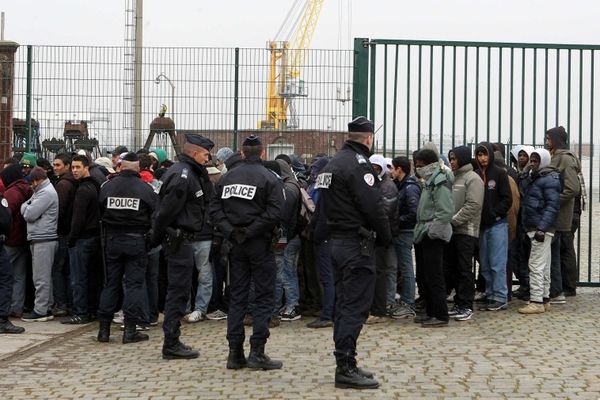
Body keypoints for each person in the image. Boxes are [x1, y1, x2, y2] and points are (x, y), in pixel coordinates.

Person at [318, 116, 391, 389]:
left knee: (343, 305)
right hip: (355, 245)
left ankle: (347, 361)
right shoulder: (359, 166)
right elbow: (374, 207)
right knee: (354, 306)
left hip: (336, 243)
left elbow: (322, 208)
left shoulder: (332, 163)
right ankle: (345, 367)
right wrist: (385, 237)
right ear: (369, 138)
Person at [209, 135, 284, 371]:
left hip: (235, 245)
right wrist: (251, 231)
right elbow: (275, 213)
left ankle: (234, 353)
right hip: (259, 244)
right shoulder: (270, 178)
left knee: (237, 297)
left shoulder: (227, 178)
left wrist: (232, 231)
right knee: (263, 297)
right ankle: (257, 352)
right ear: (262, 154)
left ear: (242, 154)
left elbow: (214, 209)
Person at [149, 133, 214, 360]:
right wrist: (157, 238)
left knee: (180, 290)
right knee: (178, 292)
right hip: (178, 241)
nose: (209, 158)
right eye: (206, 154)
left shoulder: (189, 173)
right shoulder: (183, 176)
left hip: (183, 239)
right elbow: (165, 212)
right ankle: (171, 342)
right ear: (195, 153)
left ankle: (173, 339)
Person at [96, 152, 158, 343]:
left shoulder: (107, 187)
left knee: (110, 284)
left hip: (112, 240)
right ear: (139, 168)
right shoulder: (145, 189)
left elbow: (100, 210)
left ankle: (104, 330)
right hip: (136, 241)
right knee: (134, 285)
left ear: (120, 167)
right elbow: (155, 215)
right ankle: (130, 330)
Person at [412, 148, 454, 327]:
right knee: (426, 275)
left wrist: (432, 231)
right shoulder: (430, 180)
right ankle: (430, 311)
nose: (418, 169)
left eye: (420, 165)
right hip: (425, 231)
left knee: (434, 275)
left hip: (433, 233)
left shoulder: (439, 180)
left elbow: (445, 211)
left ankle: (440, 314)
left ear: (429, 164)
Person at [518, 148, 561, 314]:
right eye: (532, 160)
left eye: (536, 161)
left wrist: (542, 228)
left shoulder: (549, 179)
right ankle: (544, 298)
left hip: (540, 227)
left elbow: (552, 206)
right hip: (537, 226)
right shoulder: (537, 178)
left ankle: (536, 300)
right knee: (544, 264)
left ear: (543, 161)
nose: (532, 163)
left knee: (535, 264)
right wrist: (525, 173)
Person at [445, 146, 484, 322]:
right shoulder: (454, 178)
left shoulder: (472, 178)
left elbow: (473, 205)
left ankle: (466, 305)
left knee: (464, 269)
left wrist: (453, 220)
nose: (452, 162)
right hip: (452, 231)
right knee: (452, 269)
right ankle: (458, 302)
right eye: (450, 159)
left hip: (466, 231)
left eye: (454, 159)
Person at [63, 155, 102, 324]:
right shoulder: (96, 186)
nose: (75, 171)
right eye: (72, 168)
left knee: (78, 278)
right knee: (91, 276)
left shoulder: (83, 190)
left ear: (86, 167)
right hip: (94, 237)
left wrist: (71, 238)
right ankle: (91, 310)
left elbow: (78, 218)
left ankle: (80, 312)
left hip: (82, 239)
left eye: (78, 167)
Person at [545, 126, 582, 303]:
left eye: (549, 139)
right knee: (560, 250)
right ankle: (561, 288)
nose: (546, 142)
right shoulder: (559, 157)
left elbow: (572, 188)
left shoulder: (565, 160)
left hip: (563, 214)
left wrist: (553, 200)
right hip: (561, 213)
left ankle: (565, 288)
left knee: (563, 249)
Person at [474, 142, 513, 311]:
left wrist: (495, 213)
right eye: (479, 155)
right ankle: (490, 294)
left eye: (485, 154)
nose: (482, 158)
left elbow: (507, 199)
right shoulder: (475, 175)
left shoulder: (499, 174)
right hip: (481, 226)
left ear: (490, 155)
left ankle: (500, 296)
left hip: (497, 224)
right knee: (485, 262)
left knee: (498, 262)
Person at [20, 167, 59, 322]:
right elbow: (26, 206)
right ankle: (46, 306)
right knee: (43, 276)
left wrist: (26, 207)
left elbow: (29, 214)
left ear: (37, 180)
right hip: (41, 237)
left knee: (40, 277)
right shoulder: (42, 191)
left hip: (43, 238)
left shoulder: (46, 193)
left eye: (32, 182)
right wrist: (27, 206)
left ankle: (40, 310)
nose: (31, 186)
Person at [365, 154, 398, 324]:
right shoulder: (375, 183)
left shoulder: (387, 186)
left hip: (381, 235)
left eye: (377, 167)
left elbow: (384, 212)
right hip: (372, 235)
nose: (374, 170)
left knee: (379, 273)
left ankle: (379, 310)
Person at [389, 156, 420, 319]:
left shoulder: (409, 188)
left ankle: (409, 302)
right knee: (402, 266)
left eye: (392, 168)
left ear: (399, 169)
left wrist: (396, 221)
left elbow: (413, 213)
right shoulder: (402, 186)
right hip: (401, 230)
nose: (390, 171)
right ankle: (406, 301)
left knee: (406, 267)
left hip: (405, 231)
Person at [1, 164, 32, 319]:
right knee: (19, 275)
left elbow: (6, 216)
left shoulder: (11, 193)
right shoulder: (27, 188)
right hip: (23, 238)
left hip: (11, 240)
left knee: (5, 276)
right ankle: (17, 307)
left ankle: (5, 309)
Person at [51, 153, 76, 317]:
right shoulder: (73, 182)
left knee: (58, 269)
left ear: (66, 166)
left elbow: (58, 210)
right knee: (68, 270)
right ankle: (69, 302)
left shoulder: (63, 185)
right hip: (70, 232)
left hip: (62, 232)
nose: (55, 167)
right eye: (54, 164)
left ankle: (61, 304)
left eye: (58, 164)